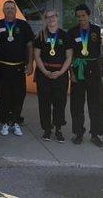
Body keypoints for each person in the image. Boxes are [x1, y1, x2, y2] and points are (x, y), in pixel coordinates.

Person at [0, 0, 34, 136]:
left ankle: (14, 121)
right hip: (2, 67)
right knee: (3, 95)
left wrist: (30, 63)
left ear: (15, 10)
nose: (9, 10)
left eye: (12, 8)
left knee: (19, 94)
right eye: (7, 8)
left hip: (18, 67)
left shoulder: (23, 25)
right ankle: (4, 121)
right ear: (3, 10)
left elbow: (30, 45)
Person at [68, 3, 103, 147]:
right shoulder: (72, 32)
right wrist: (71, 72)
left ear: (88, 15)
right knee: (77, 104)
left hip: (93, 69)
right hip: (78, 69)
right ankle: (78, 133)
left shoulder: (97, 30)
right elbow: (69, 55)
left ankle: (96, 134)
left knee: (95, 103)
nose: (81, 18)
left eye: (83, 15)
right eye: (78, 16)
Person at [33, 10, 72, 143]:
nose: (51, 19)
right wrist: (44, 71)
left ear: (57, 17)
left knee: (59, 102)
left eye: (53, 16)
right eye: (48, 17)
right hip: (44, 74)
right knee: (44, 103)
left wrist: (61, 72)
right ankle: (47, 129)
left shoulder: (64, 35)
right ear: (45, 20)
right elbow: (36, 55)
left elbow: (69, 57)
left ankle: (59, 128)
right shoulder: (40, 35)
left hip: (60, 74)